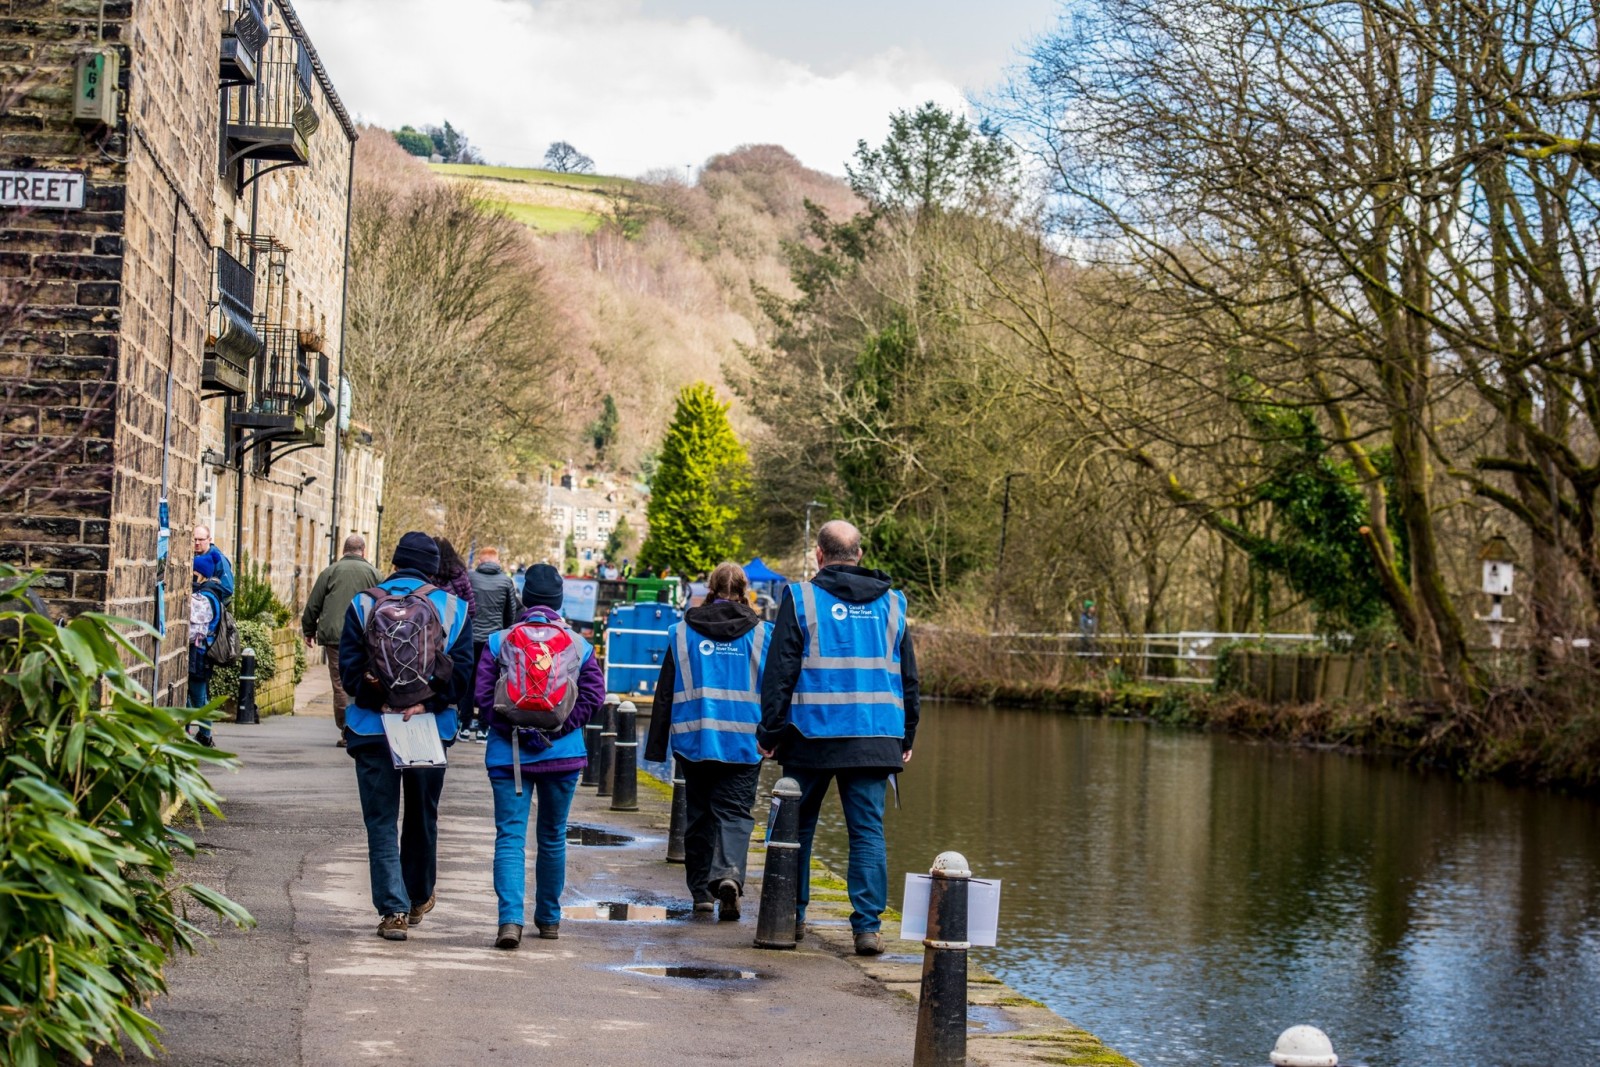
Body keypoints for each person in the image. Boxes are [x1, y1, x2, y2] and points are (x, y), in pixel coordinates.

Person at [757, 520, 919, 957]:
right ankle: (867, 928)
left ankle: (789, 916)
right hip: (875, 736)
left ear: (819, 555)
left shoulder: (801, 598)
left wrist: (770, 731)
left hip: (811, 734)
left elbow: (780, 672)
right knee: (867, 833)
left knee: (795, 829)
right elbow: (908, 677)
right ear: (859, 554)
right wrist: (907, 733)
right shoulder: (893, 603)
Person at [339, 532, 474, 942]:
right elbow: (461, 677)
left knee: (381, 820)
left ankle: (392, 911)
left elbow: (350, 674)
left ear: (394, 563)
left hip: (373, 726)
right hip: (427, 730)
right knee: (421, 814)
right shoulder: (452, 608)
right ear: (433, 569)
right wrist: (424, 702)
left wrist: (384, 700)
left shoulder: (363, 604)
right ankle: (417, 897)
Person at [474, 563, 604, 949]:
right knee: (552, 836)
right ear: (559, 602)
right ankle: (548, 918)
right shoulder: (579, 645)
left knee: (510, 837)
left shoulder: (499, 641)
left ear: (524, 598)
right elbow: (594, 697)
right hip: (562, 755)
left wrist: (518, 730)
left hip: (509, 756)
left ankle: (510, 921)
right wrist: (556, 729)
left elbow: (483, 699)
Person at [646, 561, 770, 920]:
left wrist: (656, 746)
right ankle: (729, 875)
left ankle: (701, 892)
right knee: (734, 813)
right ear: (745, 591)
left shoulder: (682, 633)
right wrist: (778, 737)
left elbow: (665, 692)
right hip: (745, 742)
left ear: (710, 590)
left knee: (699, 815)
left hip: (695, 740)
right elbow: (777, 689)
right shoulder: (763, 634)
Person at [301, 535, 381, 747]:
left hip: (336, 636)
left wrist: (308, 630)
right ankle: (364, 727)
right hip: (366, 636)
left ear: (343, 550)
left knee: (340, 684)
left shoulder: (330, 572)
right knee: (367, 679)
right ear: (363, 551)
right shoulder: (375, 574)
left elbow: (314, 604)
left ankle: (347, 730)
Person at [466, 544, 519, 741]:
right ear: (497, 561)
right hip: (494, 640)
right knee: (490, 682)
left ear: (480, 561)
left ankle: (464, 724)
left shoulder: (470, 578)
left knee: (469, 681)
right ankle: (483, 727)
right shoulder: (506, 581)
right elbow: (511, 612)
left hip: (471, 638)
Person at [188, 557, 226, 748]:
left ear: (200, 573)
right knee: (192, 694)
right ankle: (189, 730)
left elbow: (195, 623)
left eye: (193, 572)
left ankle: (205, 735)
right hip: (201, 651)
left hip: (200, 652)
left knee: (198, 696)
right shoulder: (209, 593)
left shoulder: (206, 596)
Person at [192, 524, 235, 600]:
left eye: (201, 539)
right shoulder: (191, 556)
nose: (197, 543)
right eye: (195, 539)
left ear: (209, 540)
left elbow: (228, 589)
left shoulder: (219, 560)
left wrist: (207, 589)